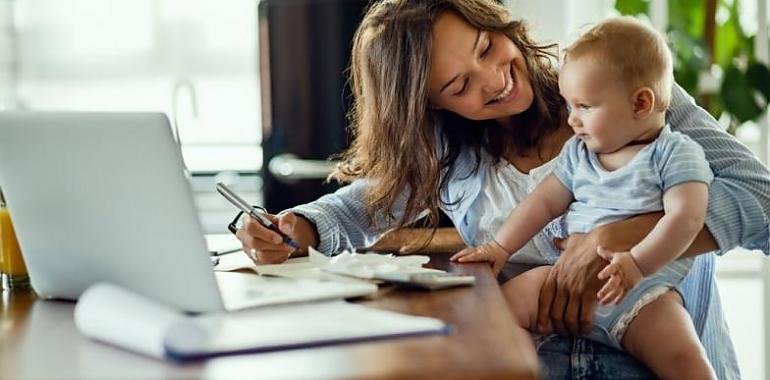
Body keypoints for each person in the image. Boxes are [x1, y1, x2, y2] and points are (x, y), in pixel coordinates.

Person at [235, 0, 770, 378]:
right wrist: (293, 228)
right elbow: (357, 208)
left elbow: (762, 202)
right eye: (460, 85)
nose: (494, 79)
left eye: (487, 48)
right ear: (432, 107)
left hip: (660, 357)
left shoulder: (619, 85)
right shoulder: (449, 153)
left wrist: (621, 237)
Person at [450, 17, 716, 379]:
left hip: (644, 294)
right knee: (496, 315)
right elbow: (542, 204)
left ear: (640, 103)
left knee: (687, 361)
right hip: (562, 280)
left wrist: (636, 264)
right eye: (569, 106)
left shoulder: (675, 154)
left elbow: (686, 218)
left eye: (585, 107)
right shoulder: (580, 153)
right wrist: (499, 247)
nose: (572, 120)